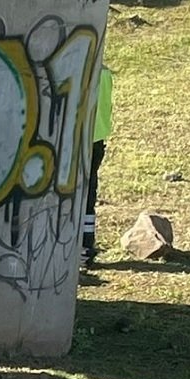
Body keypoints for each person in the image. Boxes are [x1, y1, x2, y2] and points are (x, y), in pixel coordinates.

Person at [83, 64, 113, 269]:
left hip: (79, 140)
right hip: (97, 140)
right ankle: (87, 246)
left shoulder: (82, 73)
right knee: (89, 196)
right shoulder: (105, 73)